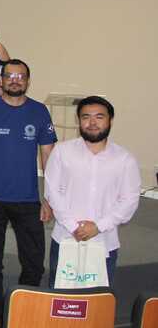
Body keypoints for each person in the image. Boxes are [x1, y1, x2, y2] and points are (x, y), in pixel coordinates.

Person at [0, 59, 57, 328]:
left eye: (21, 76)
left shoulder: (39, 112)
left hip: (28, 200)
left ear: (28, 81)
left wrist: (48, 199)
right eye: (9, 76)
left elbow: (49, 160)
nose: (15, 80)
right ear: (0, 81)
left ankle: (23, 314)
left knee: (34, 264)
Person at [45, 96, 141, 288]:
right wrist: (73, 226)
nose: (92, 123)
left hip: (104, 241)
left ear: (110, 120)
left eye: (99, 117)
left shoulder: (124, 159)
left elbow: (129, 200)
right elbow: (52, 192)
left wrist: (98, 226)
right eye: (86, 117)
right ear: (78, 120)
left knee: (97, 306)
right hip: (65, 238)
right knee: (59, 304)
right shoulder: (62, 152)